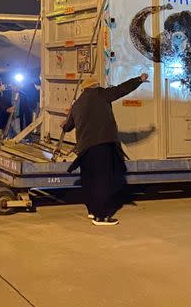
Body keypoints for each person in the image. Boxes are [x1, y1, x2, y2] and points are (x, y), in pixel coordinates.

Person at [61, 72, 148, 226]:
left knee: (89, 181)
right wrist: (139, 80)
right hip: (101, 146)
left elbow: (67, 127)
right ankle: (101, 216)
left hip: (84, 149)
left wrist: (64, 122)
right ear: (95, 86)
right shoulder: (101, 94)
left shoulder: (77, 103)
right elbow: (122, 89)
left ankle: (92, 211)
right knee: (103, 181)